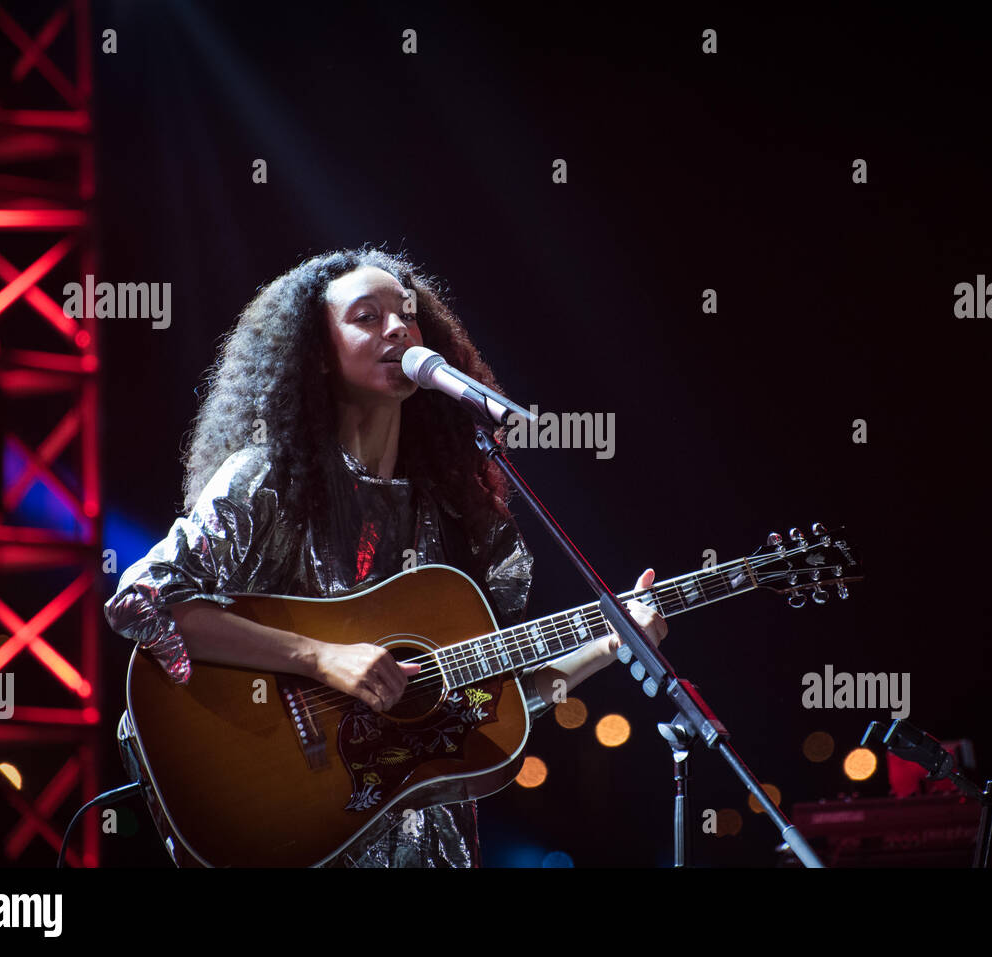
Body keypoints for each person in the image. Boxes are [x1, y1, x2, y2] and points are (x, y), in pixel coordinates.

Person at [103, 246, 667, 867]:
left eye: (406, 314)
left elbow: (488, 702)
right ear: (317, 354)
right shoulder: (268, 480)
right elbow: (143, 601)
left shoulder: (456, 511)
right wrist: (319, 657)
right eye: (366, 318)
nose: (398, 328)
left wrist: (611, 645)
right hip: (297, 828)